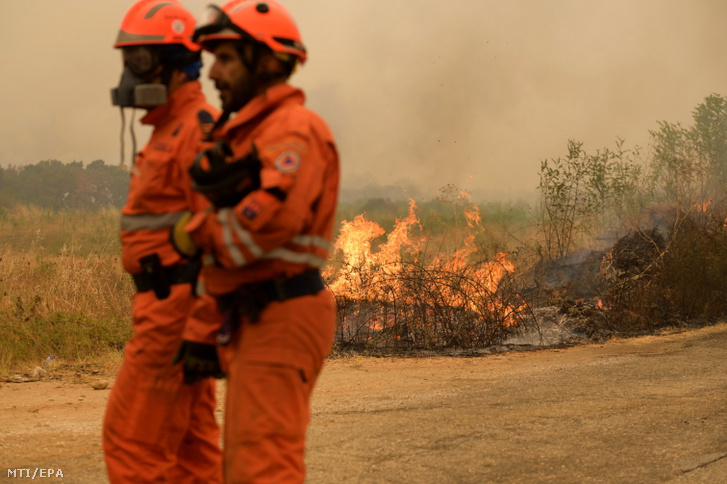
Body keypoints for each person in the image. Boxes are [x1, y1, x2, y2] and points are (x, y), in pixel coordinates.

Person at [169, 1, 340, 481]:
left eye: (225, 58)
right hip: (250, 312)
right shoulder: (247, 132)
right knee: (243, 461)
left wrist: (193, 233)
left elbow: (270, 224)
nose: (212, 71)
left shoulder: (292, 129)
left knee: (262, 465)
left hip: (283, 313)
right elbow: (225, 257)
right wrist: (203, 330)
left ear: (265, 61)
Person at [102, 1, 223, 482]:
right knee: (193, 452)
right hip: (169, 309)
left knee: (132, 444)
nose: (131, 74)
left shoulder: (196, 131)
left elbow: (218, 238)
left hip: (174, 313)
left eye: (142, 60)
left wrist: (200, 326)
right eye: (128, 61)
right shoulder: (167, 129)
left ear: (177, 65)